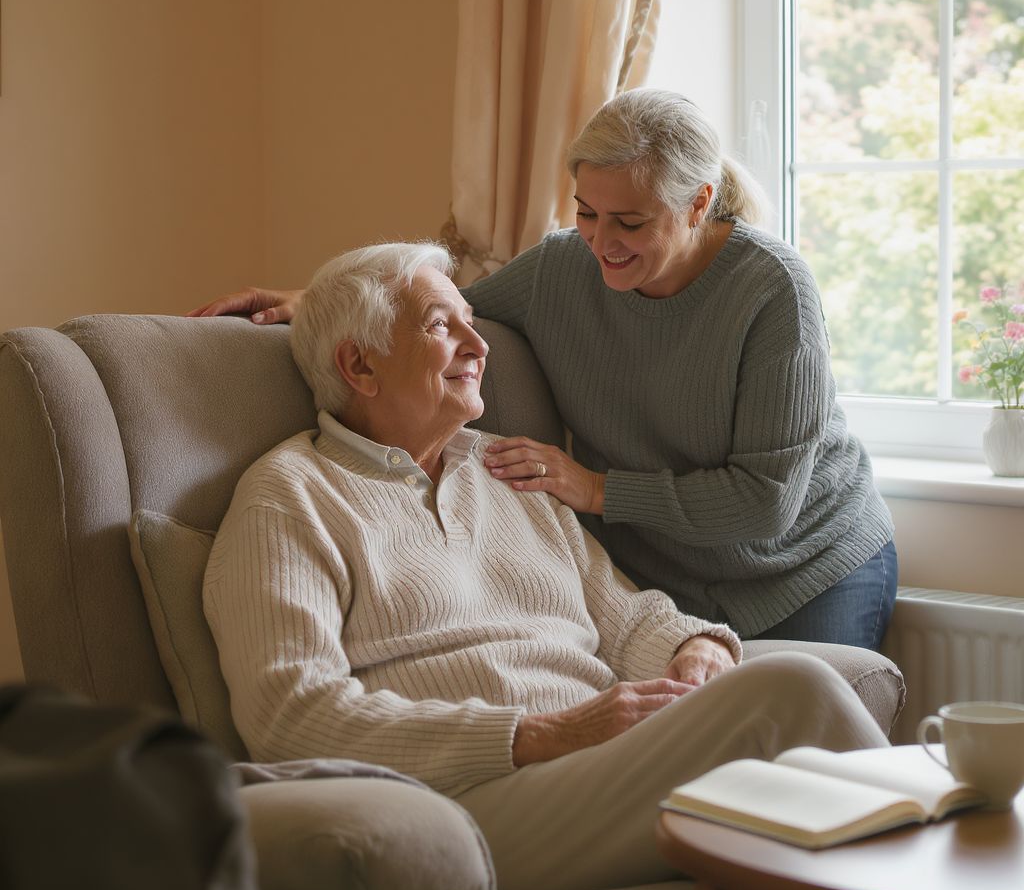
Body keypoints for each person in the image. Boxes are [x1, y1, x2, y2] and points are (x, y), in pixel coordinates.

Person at [202, 242, 890, 890]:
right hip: (461, 803)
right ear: (358, 363)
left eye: (473, 324)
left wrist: (694, 648)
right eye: (443, 326)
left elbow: (623, 616)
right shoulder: (290, 497)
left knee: (807, 785)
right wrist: (537, 735)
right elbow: (290, 716)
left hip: (603, 764)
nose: (480, 346)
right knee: (791, 690)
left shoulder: (506, 466)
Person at [190, 89, 897, 650]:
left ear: (699, 203)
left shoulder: (773, 289)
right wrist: (315, 302)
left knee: (816, 787)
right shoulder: (563, 267)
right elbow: (435, 315)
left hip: (809, 567)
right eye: (589, 212)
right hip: (665, 577)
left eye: (631, 222)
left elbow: (765, 503)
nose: (602, 243)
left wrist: (593, 489)